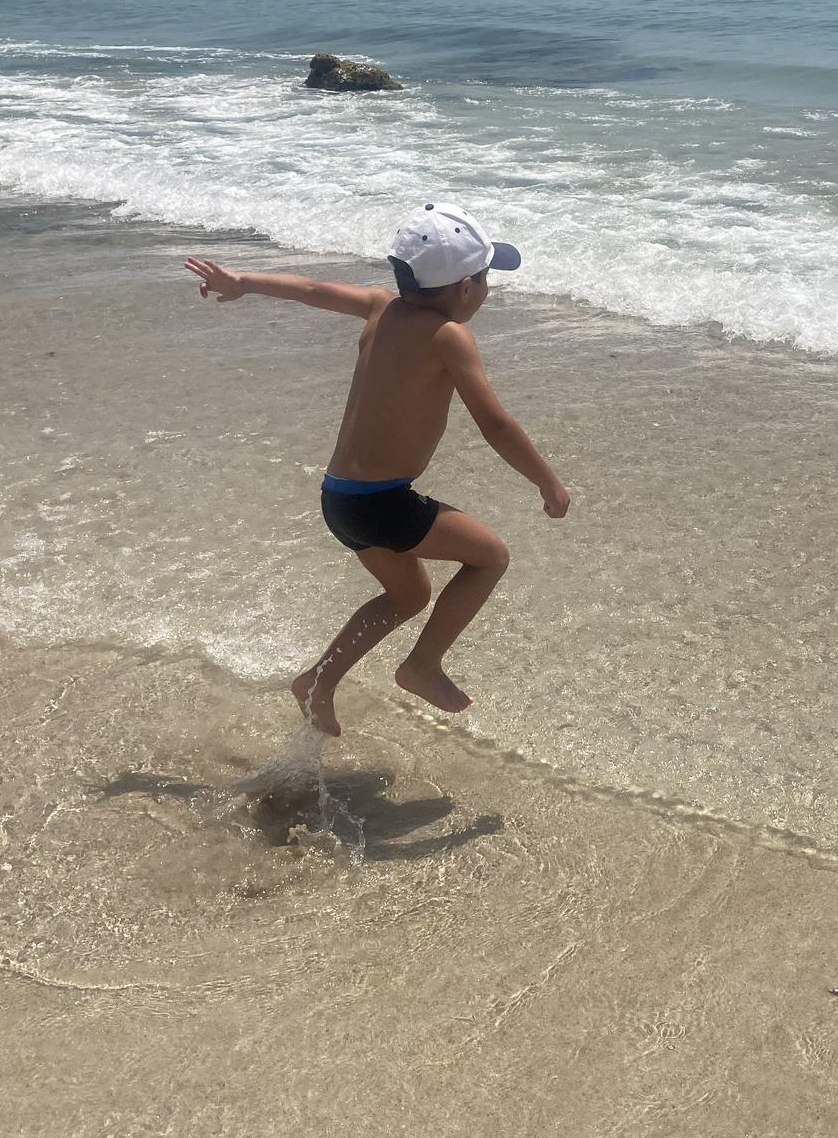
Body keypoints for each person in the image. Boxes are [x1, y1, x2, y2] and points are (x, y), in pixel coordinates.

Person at [185, 201, 570, 737]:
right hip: (382, 502)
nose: (485, 291)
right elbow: (495, 423)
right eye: (486, 279)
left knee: (409, 595)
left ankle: (317, 681)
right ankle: (422, 666)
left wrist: (243, 281)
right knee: (489, 557)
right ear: (464, 287)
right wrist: (547, 482)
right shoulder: (449, 336)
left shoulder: (379, 307)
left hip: (340, 499)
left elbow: (311, 290)